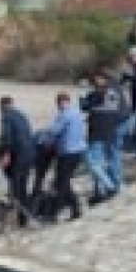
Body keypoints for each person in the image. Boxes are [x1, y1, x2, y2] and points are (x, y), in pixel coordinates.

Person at [79, 70, 125, 204]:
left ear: (105, 79)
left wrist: (87, 103)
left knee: (92, 161)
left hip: (101, 131)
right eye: (95, 79)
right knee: (102, 160)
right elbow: (84, 107)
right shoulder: (102, 93)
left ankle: (109, 187)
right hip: (102, 130)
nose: (96, 81)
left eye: (98, 78)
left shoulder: (106, 92)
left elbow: (89, 107)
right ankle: (103, 190)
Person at [47, 92, 87, 221]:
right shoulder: (77, 113)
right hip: (79, 151)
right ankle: (75, 208)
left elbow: (54, 131)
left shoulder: (64, 115)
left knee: (61, 183)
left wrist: (45, 137)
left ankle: (55, 212)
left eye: (59, 103)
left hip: (67, 152)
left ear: (62, 102)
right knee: (64, 181)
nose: (59, 105)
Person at [0, 96, 35, 226]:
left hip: (20, 154)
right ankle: (24, 218)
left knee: (16, 186)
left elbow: (7, 137)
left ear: (1, 106)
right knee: (23, 186)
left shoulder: (6, 116)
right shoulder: (21, 115)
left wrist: (6, 154)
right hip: (30, 152)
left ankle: (19, 217)